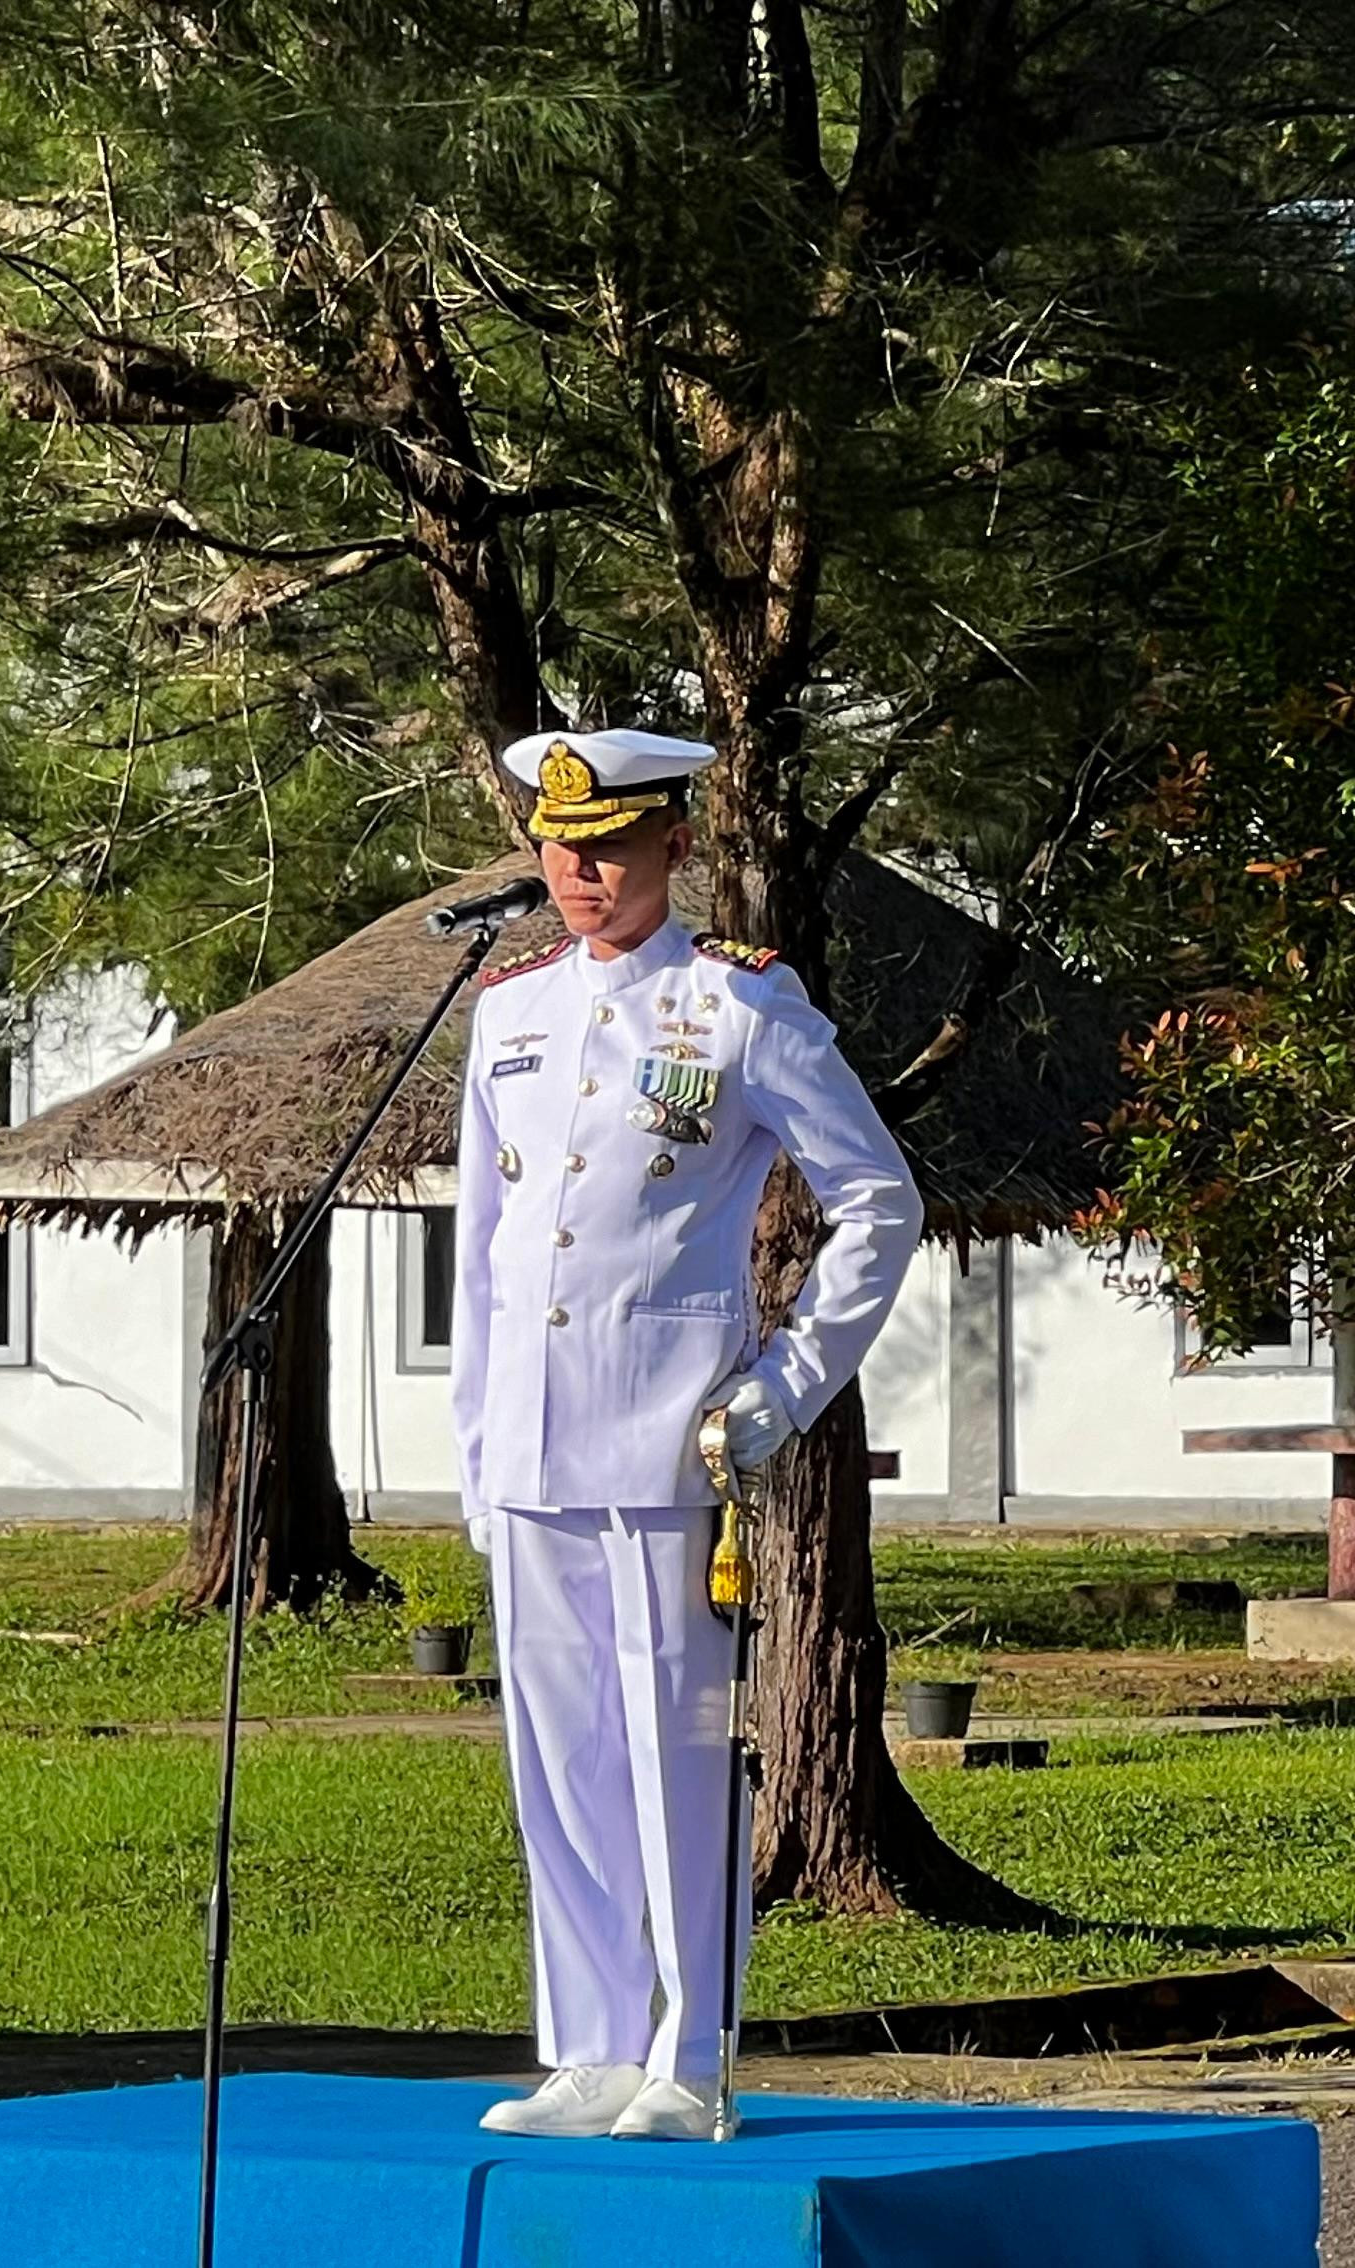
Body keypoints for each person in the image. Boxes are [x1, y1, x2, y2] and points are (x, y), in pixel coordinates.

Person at [449, 725, 925, 2142]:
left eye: (609, 844)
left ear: (675, 843)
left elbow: (879, 1203)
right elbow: (484, 1255)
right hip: (532, 1446)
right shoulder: (508, 1011)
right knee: (558, 1761)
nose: (579, 871)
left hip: (670, 1447)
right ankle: (589, 2046)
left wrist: (782, 1387)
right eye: (559, 843)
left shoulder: (738, 1006)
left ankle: (691, 2051)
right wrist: (476, 1446)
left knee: (674, 1752)